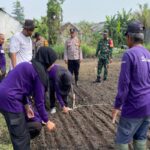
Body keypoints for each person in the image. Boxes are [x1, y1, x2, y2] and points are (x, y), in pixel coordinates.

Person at [0, 47, 57, 150]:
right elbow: (40, 102)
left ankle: (17, 133)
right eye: (52, 62)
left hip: (4, 96)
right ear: (47, 61)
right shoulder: (39, 74)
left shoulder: (28, 65)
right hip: (10, 100)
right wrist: (47, 121)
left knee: (19, 131)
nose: (53, 65)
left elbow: (20, 87)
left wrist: (26, 105)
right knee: (21, 139)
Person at [112, 21, 150, 149]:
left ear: (129, 37)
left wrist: (117, 105)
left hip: (134, 106)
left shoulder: (129, 54)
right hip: (147, 106)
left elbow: (124, 84)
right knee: (141, 138)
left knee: (122, 140)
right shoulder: (148, 54)